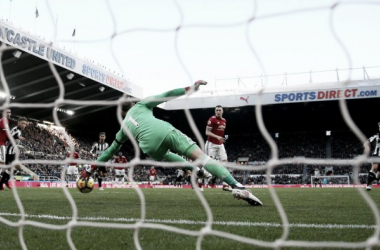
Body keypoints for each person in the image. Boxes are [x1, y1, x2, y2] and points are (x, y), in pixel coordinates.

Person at [82, 80, 262, 206]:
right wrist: (191, 88)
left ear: (122, 114)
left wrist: (90, 170)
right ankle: (236, 186)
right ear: (133, 103)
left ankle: (195, 171)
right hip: (162, 130)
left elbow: (110, 151)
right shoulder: (141, 105)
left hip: (148, 147)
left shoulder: (123, 128)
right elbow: (166, 95)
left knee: (167, 155)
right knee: (202, 157)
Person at [204, 105, 231, 191]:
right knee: (208, 164)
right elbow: (207, 132)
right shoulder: (212, 120)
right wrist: (217, 137)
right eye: (216, 110)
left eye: (219, 110)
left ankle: (225, 185)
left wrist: (220, 138)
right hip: (211, 144)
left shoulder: (224, 120)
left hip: (220, 144)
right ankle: (201, 180)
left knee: (225, 161)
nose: (218, 112)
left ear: (222, 111)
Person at [0, 116, 27, 190]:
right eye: (22, 123)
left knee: (11, 169)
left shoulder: (19, 131)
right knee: (16, 167)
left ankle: (3, 182)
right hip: (9, 152)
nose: (23, 125)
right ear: (18, 123)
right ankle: (3, 182)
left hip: (13, 152)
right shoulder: (15, 129)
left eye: (25, 124)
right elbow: (8, 137)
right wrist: (17, 137)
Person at [364, 122, 380, 191]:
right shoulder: (376, 136)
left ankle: (376, 177)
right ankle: (369, 185)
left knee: (378, 175)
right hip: (377, 154)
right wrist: (367, 148)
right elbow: (366, 142)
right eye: (379, 126)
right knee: (374, 168)